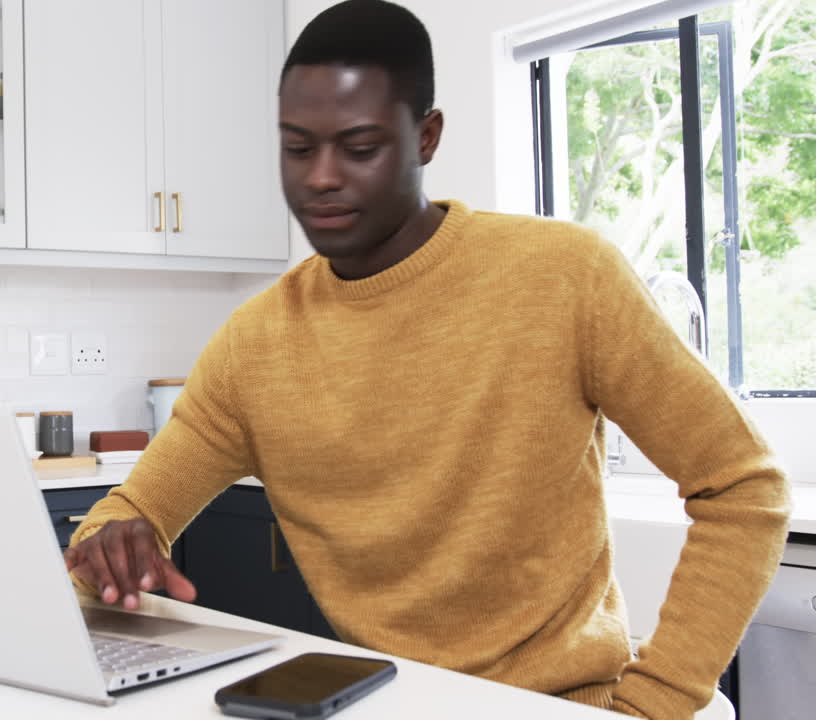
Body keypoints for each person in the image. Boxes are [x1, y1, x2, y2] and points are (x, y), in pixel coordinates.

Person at [62, 1, 792, 717]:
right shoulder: (254, 345)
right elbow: (129, 512)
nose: (319, 177)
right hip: (387, 701)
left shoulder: (566, 278)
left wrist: (658, 703)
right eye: (296, 147)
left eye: (359, 147)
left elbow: (744, 488)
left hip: (565, 704)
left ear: (427, 136)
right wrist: (110, 546)